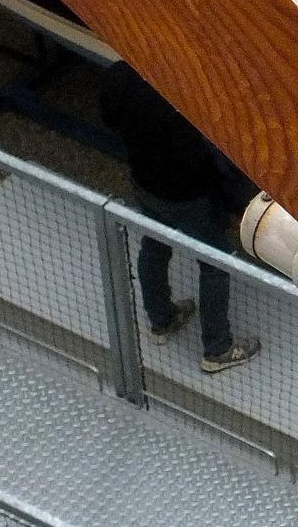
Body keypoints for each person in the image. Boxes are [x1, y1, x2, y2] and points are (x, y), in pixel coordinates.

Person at [100, 62, 260, 374]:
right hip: (188, 196)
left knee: (155, 244)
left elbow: (110, 118)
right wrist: (228, 201)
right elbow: (201, 162)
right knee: (216, 263)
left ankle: (162, 320)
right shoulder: (177, 100)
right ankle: (218, 348)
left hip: (145, 182)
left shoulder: (121, 76)